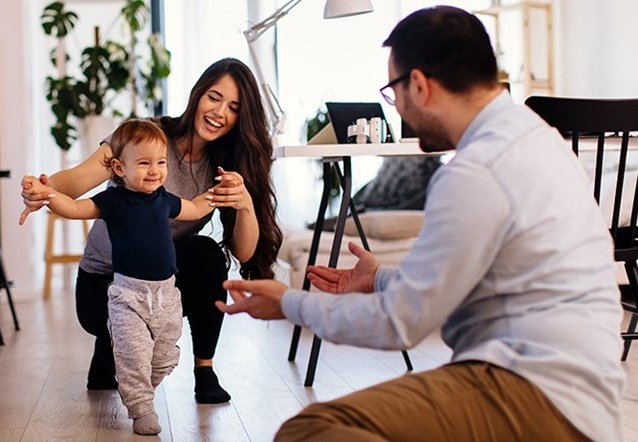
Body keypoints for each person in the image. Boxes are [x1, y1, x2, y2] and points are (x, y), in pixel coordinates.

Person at [217, 6, 625, 441]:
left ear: (419, 84)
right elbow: (460, 282)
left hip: (539, 393)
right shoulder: (535, 139)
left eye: (393, 92)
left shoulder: (476, 170)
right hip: (581, 395)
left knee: (312, 428)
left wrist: (288, 302)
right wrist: (379, 280)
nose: (399, 109)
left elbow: (400, 324)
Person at [20, 57, 282, 404]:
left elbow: (245, 252)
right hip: (106, 283)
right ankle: (110, 347)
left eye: (233, 107)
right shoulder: (144, 136)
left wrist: (245, 203)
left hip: (160, 287)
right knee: (120, 324)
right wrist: (43, 189)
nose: (219, 112)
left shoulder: (226, 166)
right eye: (214, 97)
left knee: (206, 255)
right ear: (198, 94)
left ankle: (204, 371)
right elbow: (81, 179)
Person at [25, 119, 217, 434]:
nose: (154, 171)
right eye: (144, 164)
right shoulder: (113, 200)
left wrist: (215, 194)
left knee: (165, 357)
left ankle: (138, 387)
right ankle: (141, 409)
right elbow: (73, 208)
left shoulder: (164, 199)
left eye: (160, 163)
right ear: (119, 167)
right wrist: (46, 193)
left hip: (167, 296)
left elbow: (195, 209)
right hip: (128, 297)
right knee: (132, 357)